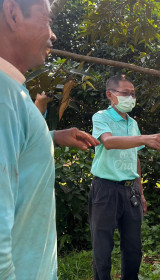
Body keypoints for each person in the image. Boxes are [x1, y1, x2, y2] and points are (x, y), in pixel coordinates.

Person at [0, 0, 99, 279]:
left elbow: (14, 147)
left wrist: (52, 136)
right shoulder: (3, 96)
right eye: (47, 19)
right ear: (13, 13)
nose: (52, 34)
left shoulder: (12, 92)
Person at [89, 74, 160, 280]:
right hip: (105, 189)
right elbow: (108, 142)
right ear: (110, 95)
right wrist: (145, 138)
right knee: (102, 247)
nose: (131, 97)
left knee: (133, 248)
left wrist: (141, 192)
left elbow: (135, 159)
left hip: (131, 191)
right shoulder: (101, 117)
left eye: (133, 94)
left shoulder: (133, 123)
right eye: (125, 93)